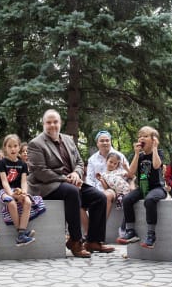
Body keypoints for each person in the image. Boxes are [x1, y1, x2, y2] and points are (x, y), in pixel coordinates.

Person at [26, 109, 114, 258]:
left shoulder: (68, 139)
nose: (52, 125)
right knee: (72, 192)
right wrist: (65, 178)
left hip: (71, 182)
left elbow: (79, 162)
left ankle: (93, 241)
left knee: (99, 197)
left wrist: (76, 173)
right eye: (49, 122)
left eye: (55, 122)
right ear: (43, 124)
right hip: (47, 186)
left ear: (60, 123)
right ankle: (76, 241)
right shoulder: (36, 144)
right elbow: (40, 171)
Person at [116, 126, 167, 249]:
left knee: (149, 200)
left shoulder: (158, 153)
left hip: (157, 188)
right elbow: (131, 173)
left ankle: (151, 235)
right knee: (127, 199)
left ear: (153, 139)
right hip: (142, 188)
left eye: (145, 136)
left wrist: (154, 148)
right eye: (140, 136)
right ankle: (131, 231)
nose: (141, 138)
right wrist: (137, 154)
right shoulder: (140, 156)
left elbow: (156, 165)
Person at [0, 134, 47, 246]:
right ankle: (21, 234)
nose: (13, 149)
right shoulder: (2, 163)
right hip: (4, 190)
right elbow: (4, 182)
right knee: (10, 202)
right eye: (9, 146)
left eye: (15, 146)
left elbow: (24, 182)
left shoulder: (23, 164)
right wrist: (11, 194)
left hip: (18, 189)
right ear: (5, 148)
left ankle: (21, 233)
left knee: (28, 201)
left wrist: (24, 192)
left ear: (19, 147)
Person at [86, 130, 130, 218]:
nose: (105, 143)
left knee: (107, 195)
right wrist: (92, 191)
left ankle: (100, 225)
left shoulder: (119, 156)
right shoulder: (92, 159)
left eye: (107, 140)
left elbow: (127, 174)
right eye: (102, 141)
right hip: (96, 189)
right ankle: (89, 229)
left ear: (110, 142)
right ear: (97, 143)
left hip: (113, 190)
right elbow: (90, 178)